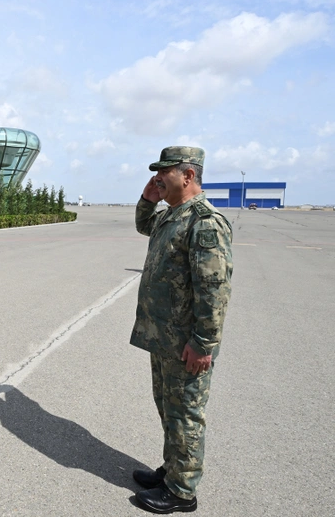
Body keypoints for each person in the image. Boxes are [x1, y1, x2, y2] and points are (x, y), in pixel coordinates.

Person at [130, 146, 233, 513]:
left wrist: (204, 343)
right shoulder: (172, 214)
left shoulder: (204, 222)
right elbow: (144, 224)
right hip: (164, 339)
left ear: (188, 176)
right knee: (167, 408)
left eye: (165, 172)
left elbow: (214, 288)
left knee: (185, 415)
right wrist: (148, 197)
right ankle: (173, 470)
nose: (159, 177)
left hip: (187, 344)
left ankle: (181, 492)